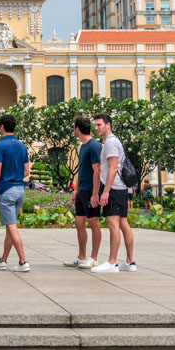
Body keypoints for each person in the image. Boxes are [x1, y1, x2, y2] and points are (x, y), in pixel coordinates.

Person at [91, 114, 136, 273]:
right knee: (123, 223)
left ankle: (112, 262)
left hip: (114, 189)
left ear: (108, 125)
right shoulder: (113, 141)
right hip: (120, 188)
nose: (96, 128)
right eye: (95, 125)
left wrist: (106, 192)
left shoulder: (110, 143)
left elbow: (113, 168)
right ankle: (130, 262)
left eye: (99, 125)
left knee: (113, 224)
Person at [0, 114, 31, 272]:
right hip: (19, 189)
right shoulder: (22, 146)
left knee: (12, 227)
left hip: (6, 189)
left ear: (2, 126)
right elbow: (27, 171)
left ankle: (23, 261)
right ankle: (3, 260)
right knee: (10, 226)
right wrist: (16, 178)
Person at [64, 116, 102, 269]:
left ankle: (94, 258)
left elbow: (97, 171)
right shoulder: (83, 146)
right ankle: (81, 257)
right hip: (82, 189)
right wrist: (77, 189)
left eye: (74, 127)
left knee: (94, 223)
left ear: (77, 129)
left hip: (91, 190)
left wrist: (95, 193)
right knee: (79, 223)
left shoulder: (94, 146)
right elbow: (82, 170)